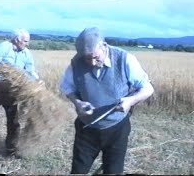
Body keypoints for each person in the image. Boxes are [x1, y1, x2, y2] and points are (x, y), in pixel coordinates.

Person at [59, 27, 154, 174]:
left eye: (95, 57)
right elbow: (67, 87)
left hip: (117, 130)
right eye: (87, 58)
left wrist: (130, 101)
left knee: (113, 172)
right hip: (87, 130)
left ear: (104, 45)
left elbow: (147, 88)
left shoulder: (125, 59)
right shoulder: (76, 63)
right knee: (78, 171)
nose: (91, 62)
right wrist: (77, 102)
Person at [0, 28, 41, 158]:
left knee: (14, 123)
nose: (27, 44)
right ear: (16, 40)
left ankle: (11, 151)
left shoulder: (26, 53)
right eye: (25, 41)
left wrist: (37, 81)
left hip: (12, 93)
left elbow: (30, 71)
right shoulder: (3, 48)